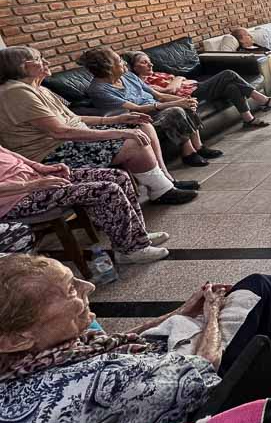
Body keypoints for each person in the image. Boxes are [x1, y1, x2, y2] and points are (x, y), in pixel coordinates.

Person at [0, 255, 271, 423]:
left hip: (150, 379)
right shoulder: (111, 380)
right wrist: (211, 311)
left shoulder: (28, 362)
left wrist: (176, 312)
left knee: (209, 310)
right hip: (189, 413)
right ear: (16, 338)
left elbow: (110, 342)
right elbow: (204, 365)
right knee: (253, 291)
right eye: (70, 290)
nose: (89, 285)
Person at [0, 47, 196, 205]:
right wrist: (118, 133)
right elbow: (59, 131)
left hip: (70, 138)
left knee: (140, 125)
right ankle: (161, 191)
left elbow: (73, 119)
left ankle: (165, 181)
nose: (47, 62)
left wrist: (116, 120)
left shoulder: (38, 89)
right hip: (51, 152)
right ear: (24, 66)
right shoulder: (16, 92)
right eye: (40, 58)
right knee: (132, 141)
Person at [0, 145, 170, 264]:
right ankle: (130, 251)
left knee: (117, 176)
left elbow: (8, 154)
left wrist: (41, 168)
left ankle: (137, 236)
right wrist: (30, 186)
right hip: (16, 198)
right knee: (106, 190)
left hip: (34, 179)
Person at [82, 48, 222, 168]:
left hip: (156, 108)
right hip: (138, 119)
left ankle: (199, 147)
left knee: (184, 106)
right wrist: (176, 104)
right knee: (175, 110)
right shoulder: (99, 89)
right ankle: (188, 153)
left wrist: (185, 100)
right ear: (108, 67)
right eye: (119, 60)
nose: (124, 63)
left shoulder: (128, 76)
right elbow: (137, 108)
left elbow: (159, 95)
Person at [127, 51, 271, 130]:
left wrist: (179, 79)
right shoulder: (143, 83)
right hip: (190, 94)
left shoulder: (158, 74)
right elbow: (171, 90)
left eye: (149, 61)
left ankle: (248, 119)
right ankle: (262, 99)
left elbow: (179, 79)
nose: (150, 64)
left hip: (195, 86)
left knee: (232, 87)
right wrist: (178, 79)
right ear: (135, 67)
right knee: (228, 74)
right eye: (144, 63)